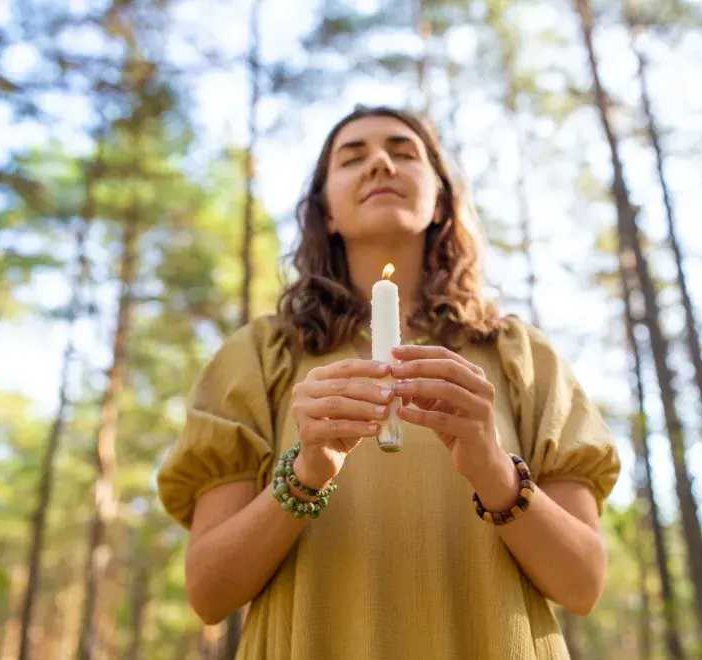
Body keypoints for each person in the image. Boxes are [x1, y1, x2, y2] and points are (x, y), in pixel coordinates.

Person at [156, 105, 620, 660]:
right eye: (352, 158)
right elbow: (209, 593)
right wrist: (305, 474)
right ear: (326, 211)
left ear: (441, 201)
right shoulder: (259, 356)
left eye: (403, 152)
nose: (379, 163)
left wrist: (493, 470)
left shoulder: (523, 356)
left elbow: (583, 585)